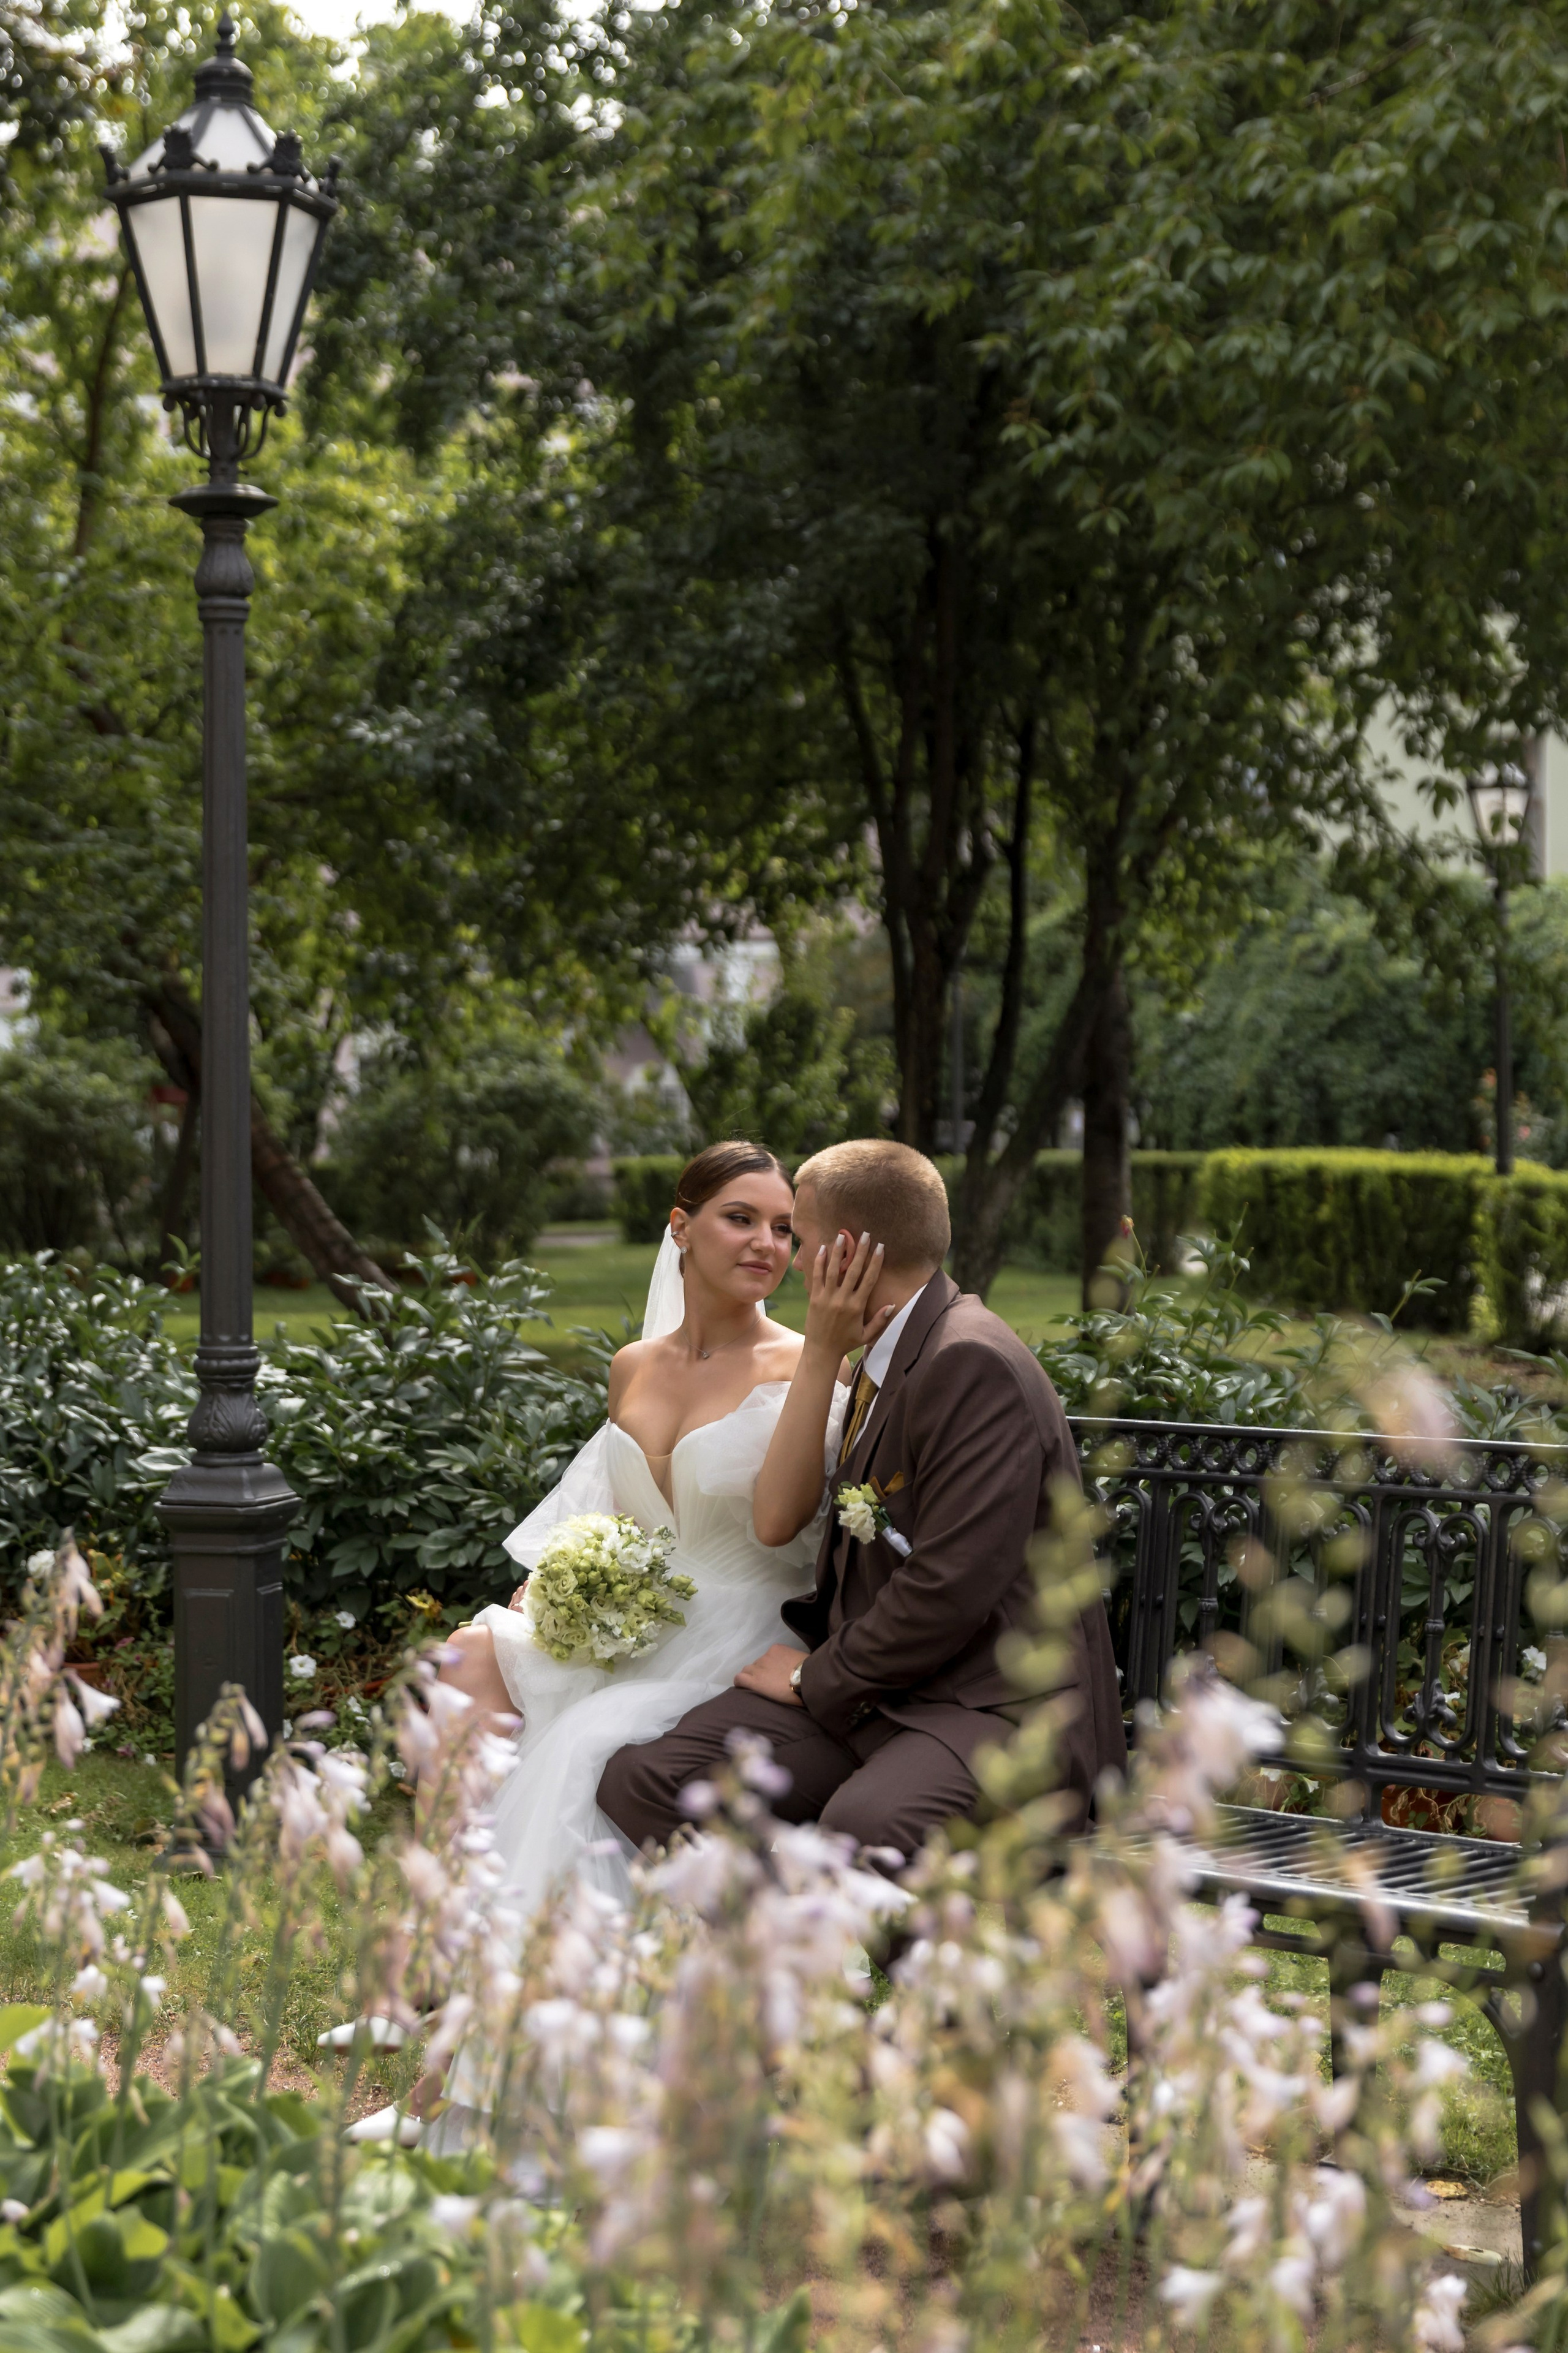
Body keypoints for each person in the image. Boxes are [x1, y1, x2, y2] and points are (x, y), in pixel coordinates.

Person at [596, 1138, 1128, 1867]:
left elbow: (950, 1583)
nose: (792, 1260)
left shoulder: (968, 1361)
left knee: (864, 1826)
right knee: (649, 1780)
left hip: (991, 1706)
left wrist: (813, 1676)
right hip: (885, 1698)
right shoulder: (887, 1351)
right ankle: (794, 1967)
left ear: (844, 1252)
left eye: (800, 1238)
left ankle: (937, 1981)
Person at [431, 1139, 868, 1927]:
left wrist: (824, 1353)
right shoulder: (633, 1365)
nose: (766, 1244)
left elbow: (776, 1525)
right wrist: (566, 1577)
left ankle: (541, 1975)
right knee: (461, 1663)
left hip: (742, 1625)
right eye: (740, 1219)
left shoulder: (809, 1364)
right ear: (681, 1226)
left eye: (783, 1229)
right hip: (642, 1613)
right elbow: (621, 1509)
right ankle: (444, 1935)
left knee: (582, 1742)